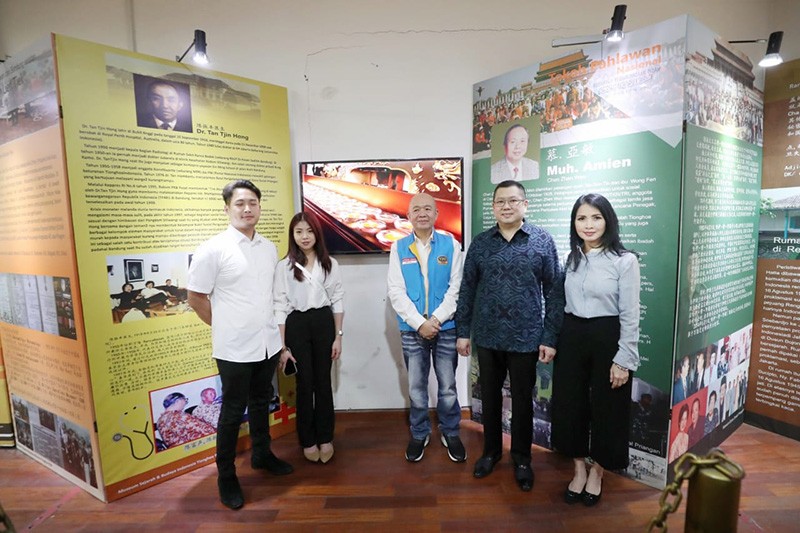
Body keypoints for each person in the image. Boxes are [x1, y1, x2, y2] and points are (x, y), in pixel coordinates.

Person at [187, 179, 293, 511]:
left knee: (262, 401)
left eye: (253, 203)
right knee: (232, 412)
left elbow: (272, 296)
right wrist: (223, 328)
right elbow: (195, 297)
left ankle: (262, 454)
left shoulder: (267, 247)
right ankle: (226, 476)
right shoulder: (213, 249)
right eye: (240, 203)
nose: (247, 209)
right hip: (233, 348)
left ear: (259, 207)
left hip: (267, 344)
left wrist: (275, 338)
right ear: (227, 208)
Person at [455, 180, 562, 492]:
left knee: (522, 402)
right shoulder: (481, 243)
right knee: (488, 399)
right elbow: (467, 289)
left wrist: (550, 336)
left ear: (525, 205)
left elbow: (554, 292)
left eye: (513, 201)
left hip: (527, 338)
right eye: (500, 201)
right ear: (493, 207)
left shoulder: (542, 241)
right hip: (487, 336)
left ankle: (522, 458)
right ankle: (490, 452)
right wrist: (463, 332)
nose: (506, 206)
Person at [550, 193, 640, 507]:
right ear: (574, 223)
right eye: (581, 218)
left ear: (608, 220)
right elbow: (560, 303)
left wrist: (624, 359)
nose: (589, 225)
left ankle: (598, 471)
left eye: (596, 217)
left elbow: (630, 313)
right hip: (572, 334)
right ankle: (577, 468)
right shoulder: (571, 257)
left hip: (607, 335)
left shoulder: (624, 260)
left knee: (609, 407)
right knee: (570, 404)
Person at [387, 193, 466, 463]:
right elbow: (395, 292)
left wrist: (436, 320)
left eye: (428, 209)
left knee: (447, 387)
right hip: (412, 330)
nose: (422, 213)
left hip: (445, 327)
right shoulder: (398, 248)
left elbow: (457, 288)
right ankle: (419, 433)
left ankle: (450, 431)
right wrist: (420, 323)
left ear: (436, 215)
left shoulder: (451, 245)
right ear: (408, 216)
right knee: (417, 387)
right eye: (416, 209)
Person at [274, 211, 344, 464]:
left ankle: (326, 437)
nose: (305, 236)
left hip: (324, 323)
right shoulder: (284, 266)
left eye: (310, 231)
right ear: (292, 235)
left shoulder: (330, 264)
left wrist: (338, 337)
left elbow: (337, 300)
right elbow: (279, 305)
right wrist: (282, 347)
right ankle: (307, 440)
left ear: (317, 233)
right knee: (304, 384)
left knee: (323, 383)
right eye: (299, 232)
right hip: (297, 324)